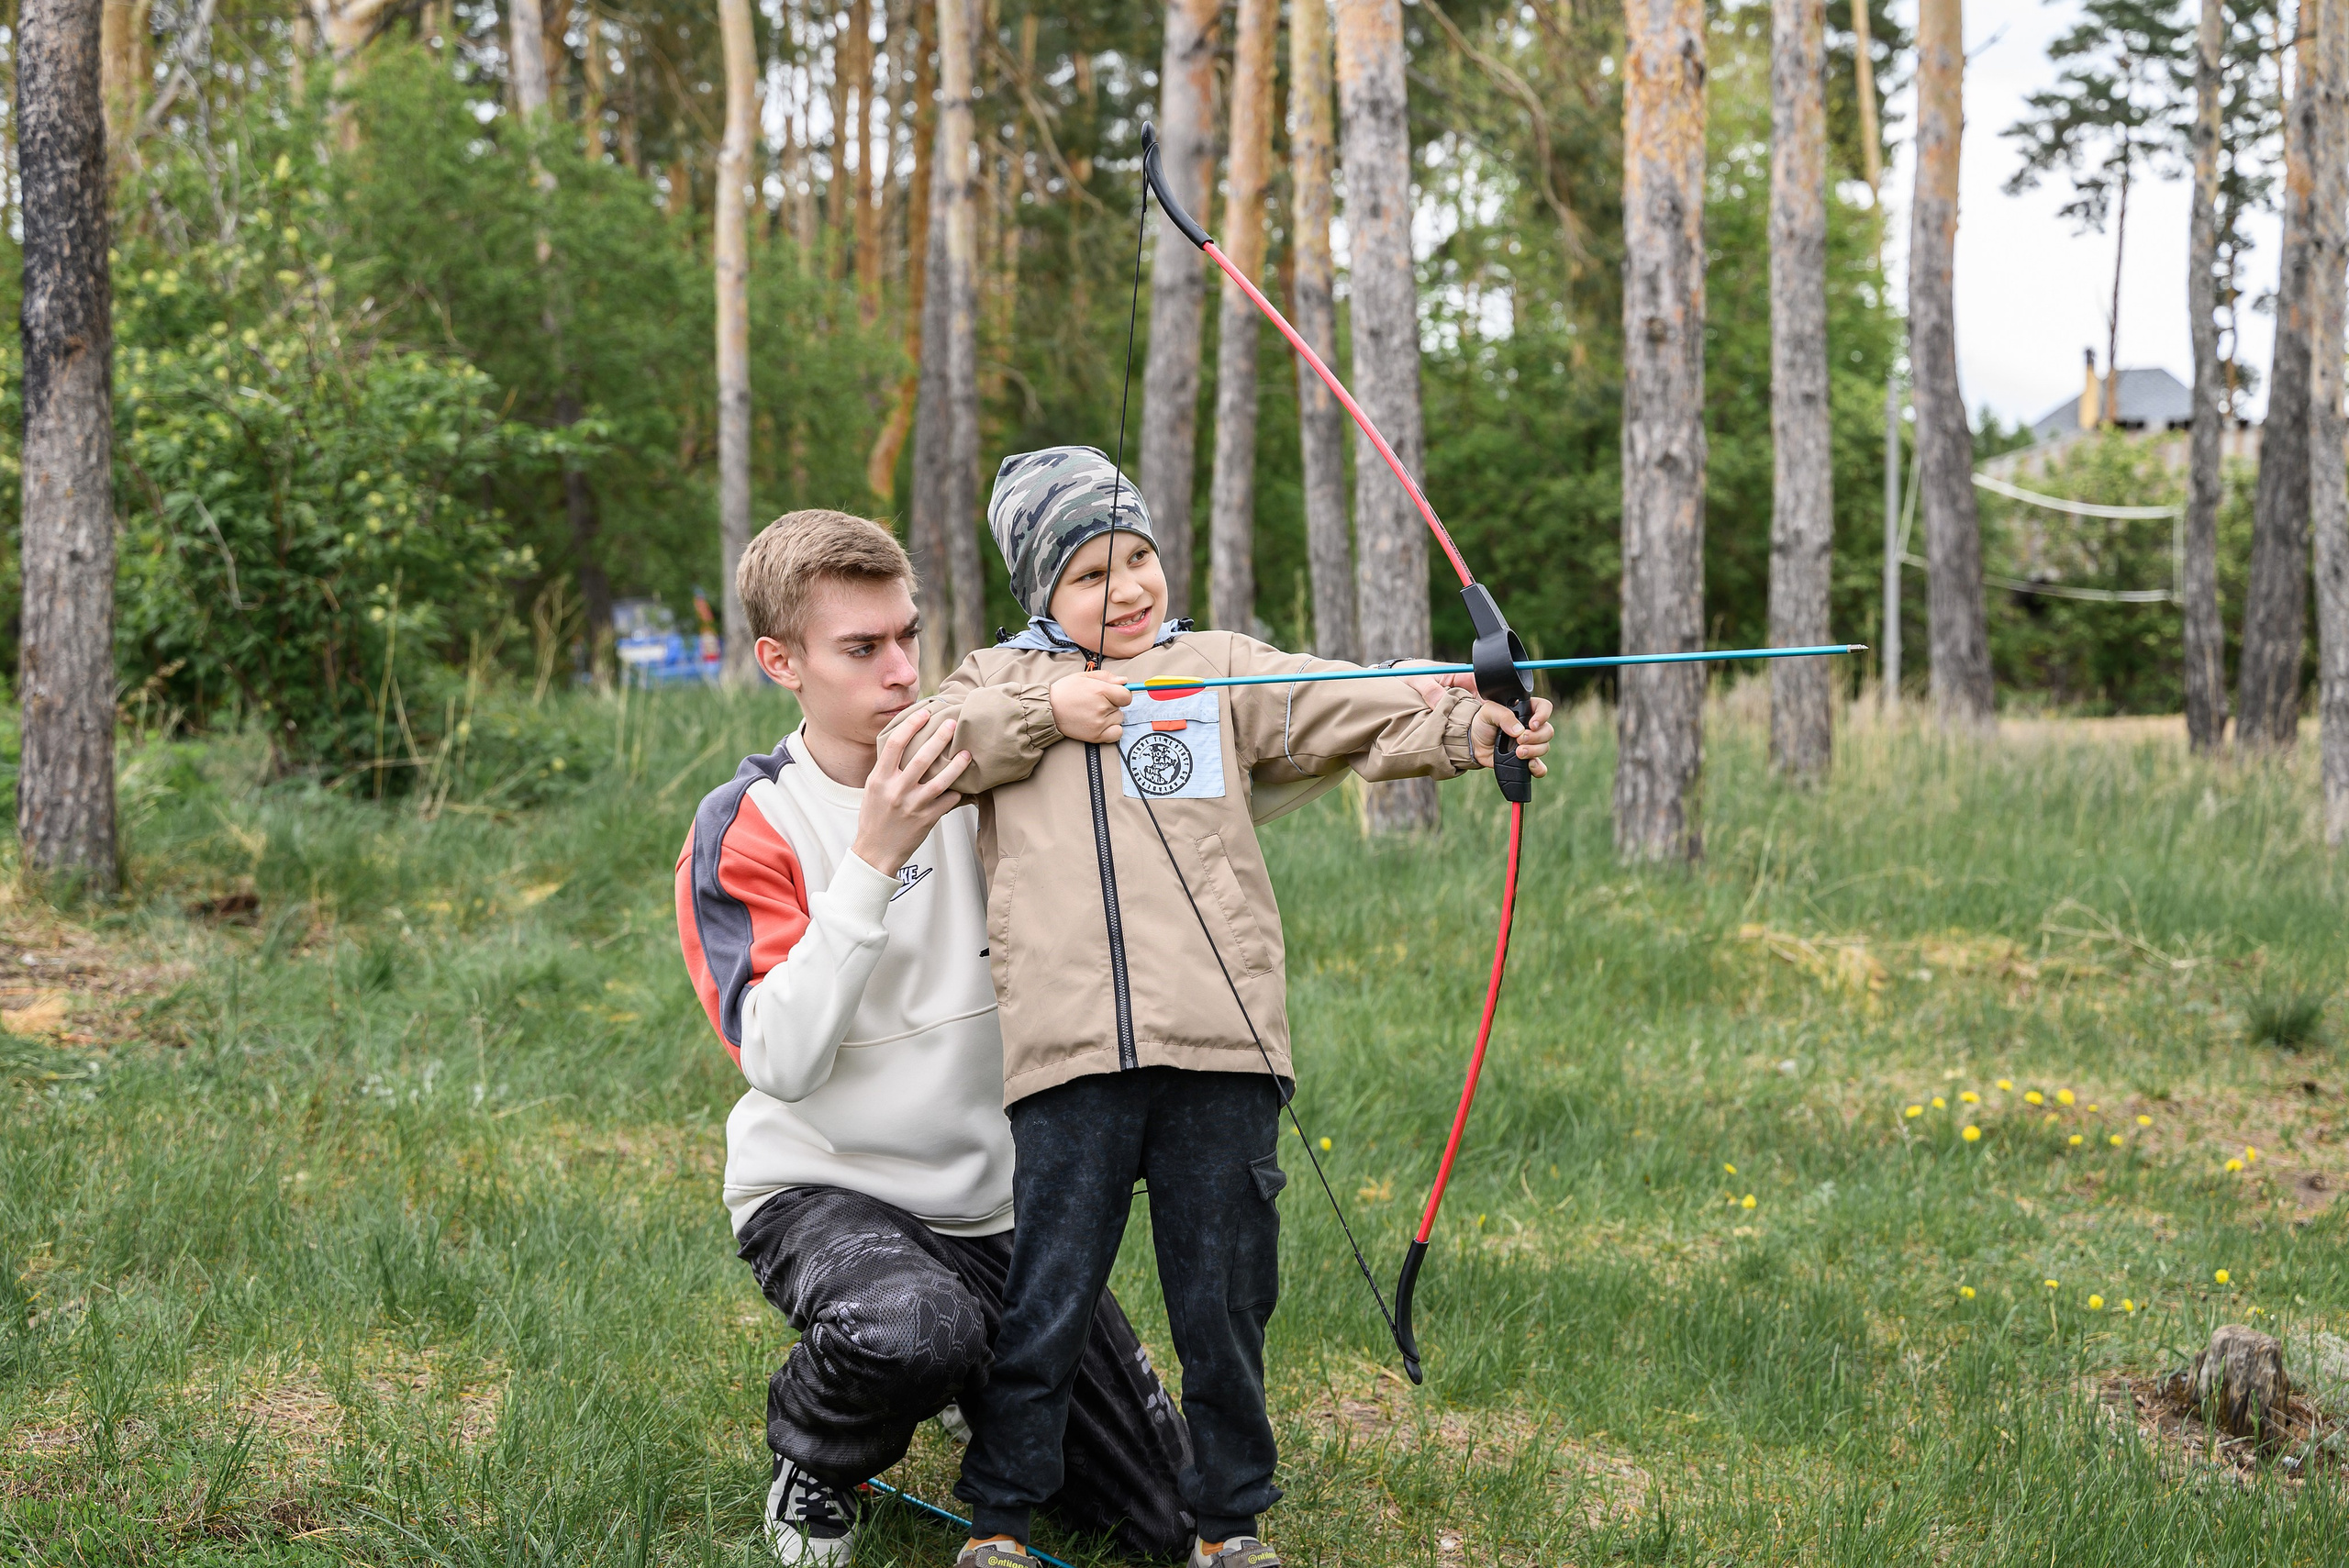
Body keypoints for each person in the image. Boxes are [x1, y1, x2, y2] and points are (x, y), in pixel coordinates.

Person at [877, 447, 1556, 1568]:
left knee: (1226, 1302)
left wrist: (1472, 715)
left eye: (1137, 556)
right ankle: (999, 1518)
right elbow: (937, 747)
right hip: (1070, 1056)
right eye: (1092, 572)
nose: (1130, 587)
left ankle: (1227, 1524)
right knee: (1047, 1297)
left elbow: (1352, 703)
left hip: (1223, 1052)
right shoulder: (991, 680)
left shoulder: (1217, 668)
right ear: (1039, 591)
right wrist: (1056, 706)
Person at [674, 509, 1196, 1564]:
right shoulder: (750, 821)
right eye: (861, 648)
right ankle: (819, 1453)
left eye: (909, 635)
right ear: (781, 660)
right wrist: (870, 859)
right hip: (828, 1190)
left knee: (1168, 1512)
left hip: (1001, 1204)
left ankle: (975, 1378)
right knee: (907, 1327)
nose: (901, 671)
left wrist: (1448, 717)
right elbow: (779, 1059)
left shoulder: (990, 759)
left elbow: (1211, 768)